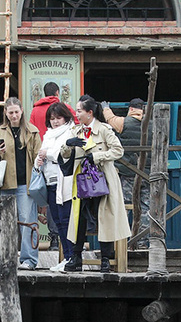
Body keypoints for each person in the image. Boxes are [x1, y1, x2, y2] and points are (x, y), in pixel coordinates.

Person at [58, 97, 130, 273]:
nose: (76, 114)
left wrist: (98, 157)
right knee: (79, 218)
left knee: (104, 217)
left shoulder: (104, 129)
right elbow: (65, 154)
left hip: (102, 182)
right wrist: (68, 144)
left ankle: (106, 258)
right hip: (82, 183)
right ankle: (76, 257)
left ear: (90, 113)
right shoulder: (76, 130)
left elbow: (118, 150)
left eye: (79, 111)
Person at [0, 97, 43, 269]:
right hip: (5, 183)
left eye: (16, 112)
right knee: (5, 223)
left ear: (21, 111)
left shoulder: (32, 131)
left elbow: (38, 158)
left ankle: (29, 260)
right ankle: (7, 258)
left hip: (25, 184)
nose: (14, 115)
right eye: (10, 112)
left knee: (28, 222)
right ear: (6, 112)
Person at [101, 98, 149, 246]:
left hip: (128, 173)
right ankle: (142, 242)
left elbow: (110, 119)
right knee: (147, 208)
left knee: (124, 207)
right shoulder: (152, 125)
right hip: (148, 173)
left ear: (130, 109)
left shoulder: (124, 122)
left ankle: (121, 245)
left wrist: (105, 107)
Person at [37, 102, 77, 271]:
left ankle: (72, 258)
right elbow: (41, 152)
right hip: (50, 181)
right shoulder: (48, 134)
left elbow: (66, 153)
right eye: (52, 118)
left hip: (65, 181)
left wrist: (48, 154)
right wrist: (38, 160)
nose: (55, 121)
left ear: (66, 117)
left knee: (66, 220)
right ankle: (67, 257)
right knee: (57, 223)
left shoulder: (71, 131)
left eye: (58, 118)